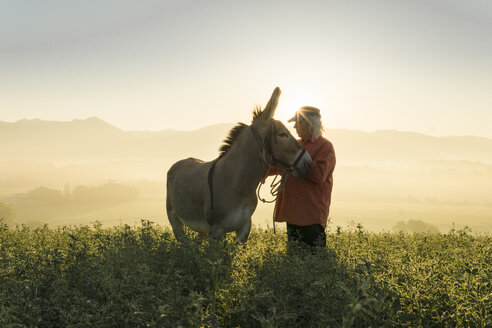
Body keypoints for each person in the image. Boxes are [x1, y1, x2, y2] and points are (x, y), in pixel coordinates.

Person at [274, 106, 336, 247]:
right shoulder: (296, 145)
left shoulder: (325, 147)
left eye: (299, 122)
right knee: (294, 260)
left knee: (313, 261)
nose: (294, 126)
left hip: (311, 216)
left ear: (310, 124)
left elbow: (319, 175)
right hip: (292, 213)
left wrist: (297, 159)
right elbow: (277, 166)